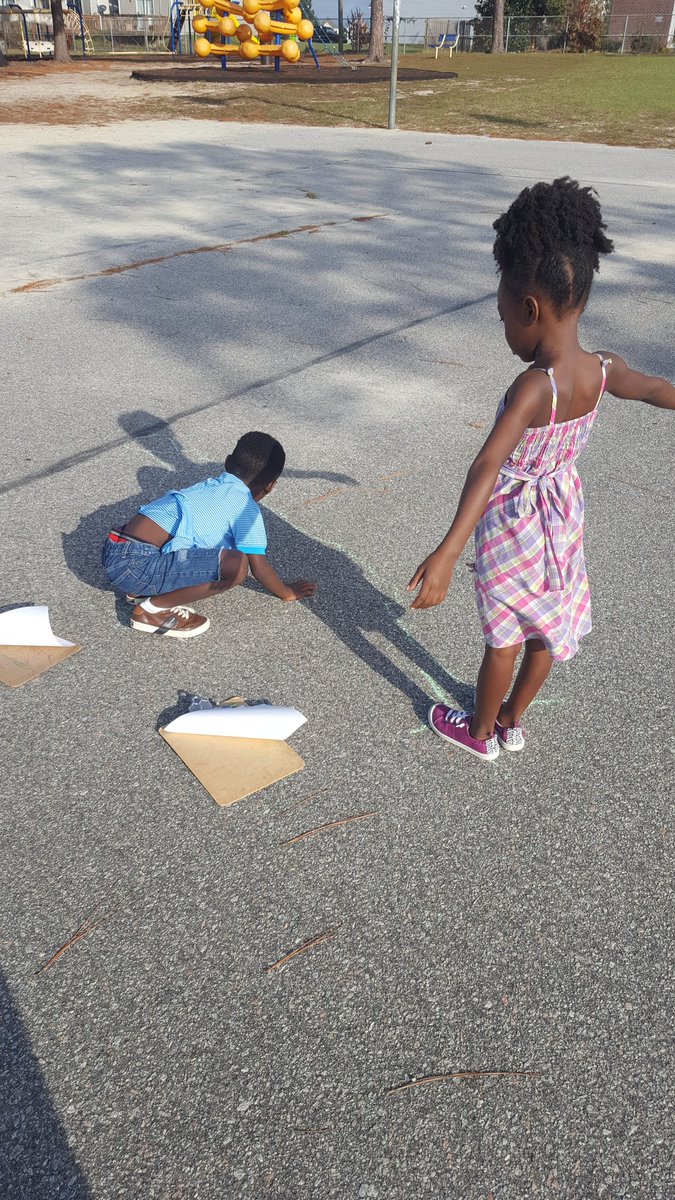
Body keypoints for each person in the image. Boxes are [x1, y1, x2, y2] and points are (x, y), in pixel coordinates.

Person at [407, 177, 675, 762]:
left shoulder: (535, 387)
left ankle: (478, 734)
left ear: (530, 308)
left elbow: (488, 464)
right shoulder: (603, 368)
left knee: (502, 635)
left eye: (506, 319)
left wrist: (448, 552)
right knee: (546, 626)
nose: (506, 330)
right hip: (561, 517)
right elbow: (656, 389)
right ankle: (510, 719)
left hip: (513, 523)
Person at [102, 430, 316, 638]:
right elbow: (258, 567)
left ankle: (140, 592)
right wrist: (287, 592)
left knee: (213, 546)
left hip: (116, 549)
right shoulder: (245, 507)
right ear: (270, 486)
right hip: (137, 567)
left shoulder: (209, 487)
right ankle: (151, 611)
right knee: (236, 565)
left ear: (227, 461)